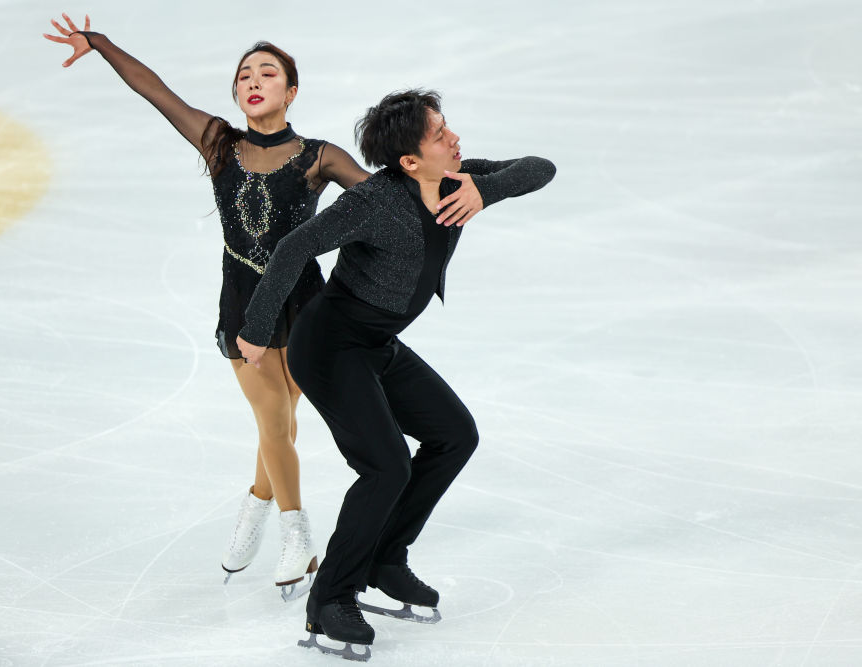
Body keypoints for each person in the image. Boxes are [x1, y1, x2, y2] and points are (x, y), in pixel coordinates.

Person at [41, 14, 443, 601]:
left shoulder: (319, 156)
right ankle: (296, 533)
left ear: (291, 90)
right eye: (244, 75)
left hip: (307, 307)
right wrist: (99, 43)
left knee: (281, 422)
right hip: (241, 304)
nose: (253, 81)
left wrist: (447, 185)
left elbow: (381, 204)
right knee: (273, 419)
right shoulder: (218, 143)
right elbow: (155, 91)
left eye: (268, 73)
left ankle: (256, 504)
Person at [236, 89, 555, 659]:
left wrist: (487, 189)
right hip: (329, 346)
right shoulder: (375, 202)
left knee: (454, 435)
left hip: (377, 343)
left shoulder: (458, 182)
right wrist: (257, 327)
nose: (454, 139)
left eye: (447, 127)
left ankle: (384, 559)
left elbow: (540, 168)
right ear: (409, 160)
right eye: (440, 134)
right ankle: (330, 599)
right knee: (385, 466)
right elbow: (294, 246)